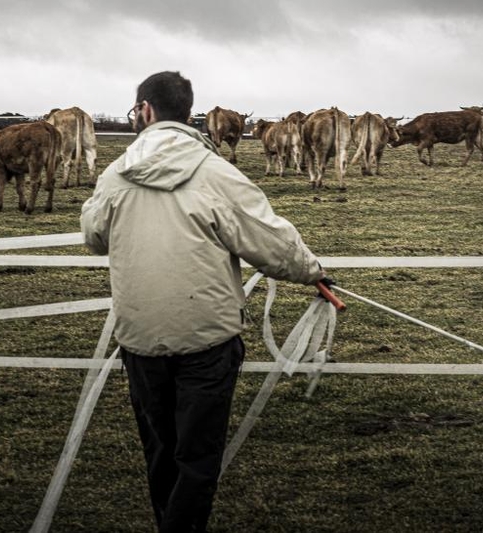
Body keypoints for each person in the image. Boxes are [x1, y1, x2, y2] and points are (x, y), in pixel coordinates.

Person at [80, 71, 330, 532]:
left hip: (140, 338)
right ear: (189, 114)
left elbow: (94, 236)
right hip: (207, 339)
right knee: (198, 456)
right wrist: (313, 272)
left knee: (160, 450)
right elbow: (270, 242)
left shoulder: (116, 174)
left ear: (145, 111)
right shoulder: (217, 173)